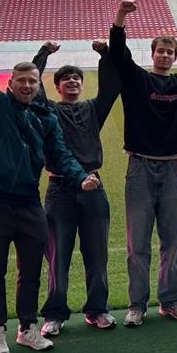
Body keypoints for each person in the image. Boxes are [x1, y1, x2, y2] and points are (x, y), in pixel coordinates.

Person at [0, 7, 97, 353]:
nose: (27, 85)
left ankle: (27, 328)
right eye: (21, 81)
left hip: (29, 202)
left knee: (31, 270)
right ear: (10, 84)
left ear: (39, 86)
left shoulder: (46, 118)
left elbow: (61, 154)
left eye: (32, 82)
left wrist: (80, 176)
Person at [107, 0, 177, 326]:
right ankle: (137, 305)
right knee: (138, 243)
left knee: (172, 241)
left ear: (175, 56)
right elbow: (118, 53)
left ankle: (171, 301)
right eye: (161, 51)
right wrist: (122, 15)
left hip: (172, 169)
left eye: (170, 52)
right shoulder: (137, 80)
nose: (165, 56)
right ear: (153, 53)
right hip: (139, 168)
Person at [32, 40, 120, 335]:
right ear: (57, 86)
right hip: (60, 189)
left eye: (76, 78)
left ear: (82, 84)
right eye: (66, 78)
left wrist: (105, 55)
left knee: (97, 253)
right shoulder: (49, 111)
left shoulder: (93, 109)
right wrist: (43, 54)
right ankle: (54, 314)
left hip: (93, 187)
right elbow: (34, 87)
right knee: (58, 255)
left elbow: (111, 87)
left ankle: (98, 309)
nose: (72, 81)